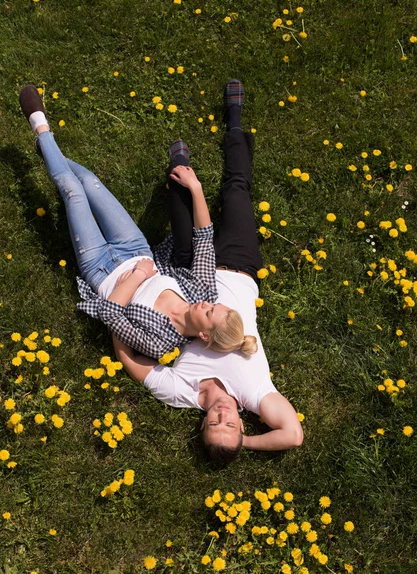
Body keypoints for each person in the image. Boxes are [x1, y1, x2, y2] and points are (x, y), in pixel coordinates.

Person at [113, 80, 304, 464]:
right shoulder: (254, 392)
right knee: (236, 191)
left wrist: (115, 326)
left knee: (182, 213)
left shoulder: (181, 393)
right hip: (237, 265)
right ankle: (234, 121)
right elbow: (293, 435)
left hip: (189, 276)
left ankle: (178, 166)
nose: (222, 416)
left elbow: (134, 365)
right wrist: (243, 445)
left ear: (202, 425)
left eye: (215, 424)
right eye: (231, 426)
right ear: (243, 424)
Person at [19, 85, 256, 361]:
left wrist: (139, 276)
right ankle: (50, 153)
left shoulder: (162, 344)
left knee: (72, 191)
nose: (207, 304)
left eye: (209, 312)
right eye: (217, 306)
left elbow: (108, 314)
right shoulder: (203, 291)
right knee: (90, 182)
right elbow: (203, 238)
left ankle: (40, 126)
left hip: (99, 269)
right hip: (133, 247)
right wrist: (196, 187)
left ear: (204, 335)